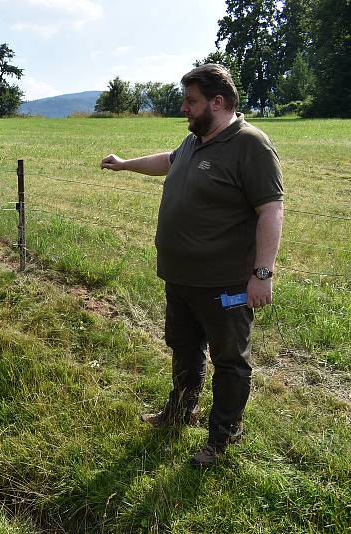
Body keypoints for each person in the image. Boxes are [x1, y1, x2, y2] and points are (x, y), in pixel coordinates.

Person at [100, 64, 284, 467]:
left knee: (229, 360)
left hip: (224, 283)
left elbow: (271, 211)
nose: (184, 108)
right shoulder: (196, 140)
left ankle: (223, 436)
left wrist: (262, 274)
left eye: (191, 101)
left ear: (217, 102)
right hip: (181, 278)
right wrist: (125, 163)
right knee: (183, 348)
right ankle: (182, 410)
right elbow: (168, 161)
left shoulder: (250, 145)